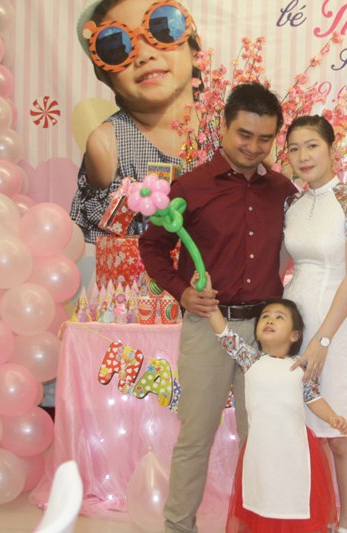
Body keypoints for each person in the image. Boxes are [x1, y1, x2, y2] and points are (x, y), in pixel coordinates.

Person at [139, 82, 297, 533]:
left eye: (264, 138)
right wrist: (181, 291)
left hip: (265, 334)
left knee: (260, 436)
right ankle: (178, 526)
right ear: (224, 128)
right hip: (205, 328)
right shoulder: (191, 186)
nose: (253, 147)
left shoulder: (282, 190)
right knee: (195, 437)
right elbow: (152, 247)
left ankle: (255, 525)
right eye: (244, 134)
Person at [192, 272, 347, 533]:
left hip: (295, 450)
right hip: (261, 451)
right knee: (262, 499)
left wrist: (332, 417)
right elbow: (223, 332)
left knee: (294, 499)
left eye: (279, 317)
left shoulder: (300, 367)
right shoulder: (249, 359)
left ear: (295, 335)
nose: (270, 320)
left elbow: (314, 398)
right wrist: (209, 297)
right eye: (265, 316)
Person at [282, 115, 347, 533]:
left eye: (312, 145)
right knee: (303, 430)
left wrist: (321, 340)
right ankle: (317, 519)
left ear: (332, 149)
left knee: (338, 432)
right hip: (295, 321)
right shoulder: (292, 204)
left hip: (335, 328)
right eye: (294, 148)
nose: (303, 156)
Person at [70, 0, 209, 243]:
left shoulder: (233, 129)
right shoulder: (108, 146)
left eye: (163, 30)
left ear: (196, 52)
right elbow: (108, 249)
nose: (144, 55)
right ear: (104, 76)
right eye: (116, 47)